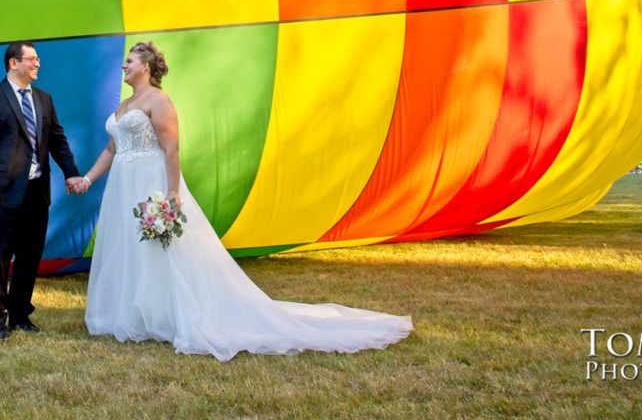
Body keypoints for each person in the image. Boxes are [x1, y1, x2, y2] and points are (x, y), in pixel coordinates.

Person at [81, 41, 413, 360]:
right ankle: (136, 314)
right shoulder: (123, 105)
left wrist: (172, 192)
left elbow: (171, 148)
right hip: (124, 184)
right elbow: (111, 149)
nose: (124, 65)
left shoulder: (159, 100)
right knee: (132, 246)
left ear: (146, 66)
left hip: (151, 180)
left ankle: (174, 314)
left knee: (165, 249)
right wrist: (87, 179)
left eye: (130, 60)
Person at [0, 40, 90, 339]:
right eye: (32, 59)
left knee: (30, 256)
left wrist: (71, 173)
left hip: (37, 192)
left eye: (37, 59)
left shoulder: (44, 99)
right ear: (14, 63)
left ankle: (20, 315)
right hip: (2, 192)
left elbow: (57, 140)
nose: (38, 64)